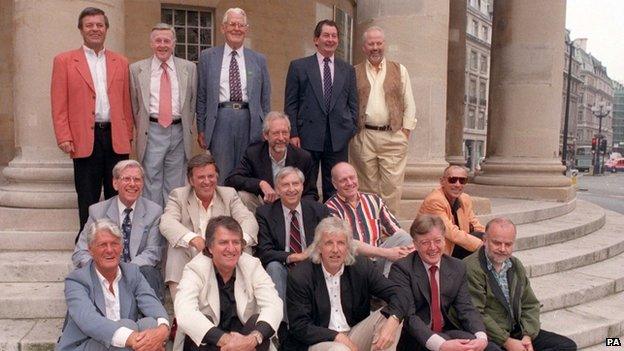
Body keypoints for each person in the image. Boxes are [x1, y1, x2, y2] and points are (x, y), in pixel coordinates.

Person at [51, 7, 133, 238]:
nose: (95, 29)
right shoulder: (64, 61)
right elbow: (58, 102)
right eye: (89, 25)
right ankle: (86, 246)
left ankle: (114, 242)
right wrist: (63, 135)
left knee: (116, 195)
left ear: (106, 29)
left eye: (99, 25)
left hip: (115, 137)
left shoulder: (121, 62)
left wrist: (128, 134)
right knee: (87, 195)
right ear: (81, 29)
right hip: (84, 138)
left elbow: (126, 102)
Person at [286, 217, 405, 351]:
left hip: (354, 333)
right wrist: (336, 336)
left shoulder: (361, 266)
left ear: (348, 247)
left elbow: (398, 293)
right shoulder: (301, 275)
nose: (335, 250)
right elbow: (300, 326)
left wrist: (394, 319)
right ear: (319, 247)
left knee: (392, 317)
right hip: (320, 341)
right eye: (329, 243)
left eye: (341, 243)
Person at [389, 214, 499, 351]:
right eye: (425, 242)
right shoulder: (402, 269)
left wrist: (481, 337)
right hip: (416, 337)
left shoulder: (456, 266)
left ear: (444, 240)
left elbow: (466, 307)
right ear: (415, 244)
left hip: (447, 330)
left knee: (490, 348)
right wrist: (441, 345)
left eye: (437, 241)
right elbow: (409, 317)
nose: (433, 247)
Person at [464, 218, 577, 351]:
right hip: (489, 335)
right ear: (485, 240)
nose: (502, 249)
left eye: (508, 244)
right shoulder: (471, 267)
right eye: (496, 243)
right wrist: (507, 341)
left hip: (517, 331)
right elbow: (476, 313)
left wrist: (527, 335)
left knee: (567, 346)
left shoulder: (515, 265)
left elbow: (530, 304)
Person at [57, 219, 169, 351]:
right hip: (86, 345)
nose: (109, 250)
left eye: (114, 244)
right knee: (127, 328)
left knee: (150, 324)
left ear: (121, 248)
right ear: (90, 250)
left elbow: (152, 303)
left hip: (126, 344)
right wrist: (131, 338)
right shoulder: (76, 280)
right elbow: (89, 320)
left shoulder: (132, 272)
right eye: (102, 245)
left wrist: (162, 330)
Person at [174, 216, 282, 351]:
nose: (231, 249)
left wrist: (253, 339)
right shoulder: (195, 269)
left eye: (236, 242)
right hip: (212, 345)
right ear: (210, 247)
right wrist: (228, 341)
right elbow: (184, 312)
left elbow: (274, 305)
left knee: (258, 323)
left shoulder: (252, 265)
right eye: (224, 242)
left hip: (247, 346)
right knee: (202, 322)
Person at [159, 153, 258, 300]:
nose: (207, 181)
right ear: (191, 180)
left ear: (217, 177)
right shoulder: (178, 195)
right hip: (193, 253)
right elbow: (167, 222)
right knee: (176, 250)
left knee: (244, 245)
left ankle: (245, 302)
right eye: (201, 177)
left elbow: (248, 219)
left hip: (223, 253)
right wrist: (194, 239)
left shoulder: (228, 194)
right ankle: (181, 307)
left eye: (211, 176)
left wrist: (237, 242)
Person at [284, 19, 358, 202]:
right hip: (306, 137)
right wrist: (293, 132)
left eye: (334, 36)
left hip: (338, 137)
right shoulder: (299, 67)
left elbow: (353, 103)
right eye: (326, 35)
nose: (330, 39)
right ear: (316, 39)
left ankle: (334, 225)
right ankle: (308, 224)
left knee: (336, 186)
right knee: (306, 185)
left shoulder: (347, 70)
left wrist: (350, 128)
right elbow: (291, 104)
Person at [72, 160, 165, 301]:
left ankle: (152, 321)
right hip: (104, 272)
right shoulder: (97, 211)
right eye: (126, 179)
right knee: (82, 278)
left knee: (148, 271)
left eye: (137, 180)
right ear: (115, 183)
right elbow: (81, 252)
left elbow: (153, 252)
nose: (132, 184)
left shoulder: (154, 211)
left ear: (142, 184)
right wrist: (104, 268)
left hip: (138, 271)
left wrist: (124, 270)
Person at [196, 7, 271, 182]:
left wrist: (266, 127)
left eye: (241, 25)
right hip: (221, 119)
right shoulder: (208, 57)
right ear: (223, 28)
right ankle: (222, 208)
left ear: (246, 29)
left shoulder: (259, 59)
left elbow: (265, 98)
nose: (236, 28)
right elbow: (201, 96)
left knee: (249, 171)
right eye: (232, 24)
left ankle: (246, 209)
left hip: (250, 120)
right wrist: (201, 128)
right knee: (221, 171)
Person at [349, 26, 417, 215]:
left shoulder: (399, 70)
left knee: (392, 189)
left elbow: (409, 102)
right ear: (364, 47)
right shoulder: (354, 71)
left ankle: (389, 232)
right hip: (364, 136)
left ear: (384, 45)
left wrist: (405, 132)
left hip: (393, 135)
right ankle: (369, 229)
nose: (375, 48)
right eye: (371, 44)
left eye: (379, 43)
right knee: (365, 188)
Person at [255, 166, 330, 333]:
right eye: (285, 185)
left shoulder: (319, 210)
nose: (291, 189)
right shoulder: (264, 213)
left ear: (302, 186)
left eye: (295, 184)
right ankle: (283, 328)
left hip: (313, 265)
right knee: (273, 266)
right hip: (284, 267)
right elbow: (264, 252)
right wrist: (294, 257)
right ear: (277, 189)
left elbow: (329, 241)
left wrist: (308, 256)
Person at [130, 23, 197, 208]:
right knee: (151, 183)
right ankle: (152, 231)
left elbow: (192, 103)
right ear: (151, 44)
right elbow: (134, 105)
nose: (162, 45)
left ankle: (171, 230)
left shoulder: (189, 68)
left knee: (175, 187)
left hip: (178, 132)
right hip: (151, 131)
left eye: (166, 41)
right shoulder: (137, 70)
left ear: (174, 43)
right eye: (158, 41)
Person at [326, 162, 413, 276]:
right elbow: (348, 243)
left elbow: (396, 230)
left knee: (404, 237)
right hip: (352, 263)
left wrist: (412, 247)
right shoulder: (330, 208)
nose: (349, 183)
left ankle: (388, 284)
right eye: (343, 180)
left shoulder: (374, 200)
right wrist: (387, 253)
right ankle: (385, 286)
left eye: (352, 178)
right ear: (334, 183)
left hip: (378, 259)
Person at [224, 111, 318, 212]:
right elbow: (232, 179)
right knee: (244, 196)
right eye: (276, 133)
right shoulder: (254, 153)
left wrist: (295, 204)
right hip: (264, 207)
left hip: (292, 208)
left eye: (285, 133)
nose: (281, 138)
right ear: (266, 135)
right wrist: (260, 184)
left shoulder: (303, 157)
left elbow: (311, 194)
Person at [418, 165, 484, 259]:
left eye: (462, 181)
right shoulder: (435, 201)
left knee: (486, 238)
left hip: (454, 246)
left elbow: (476, 225)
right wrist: (482, 245)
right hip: (436, 250)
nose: (457, 184)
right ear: (442, 182)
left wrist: (491, 240)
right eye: (452, 180)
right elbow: (451, 233)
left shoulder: (465, 199)